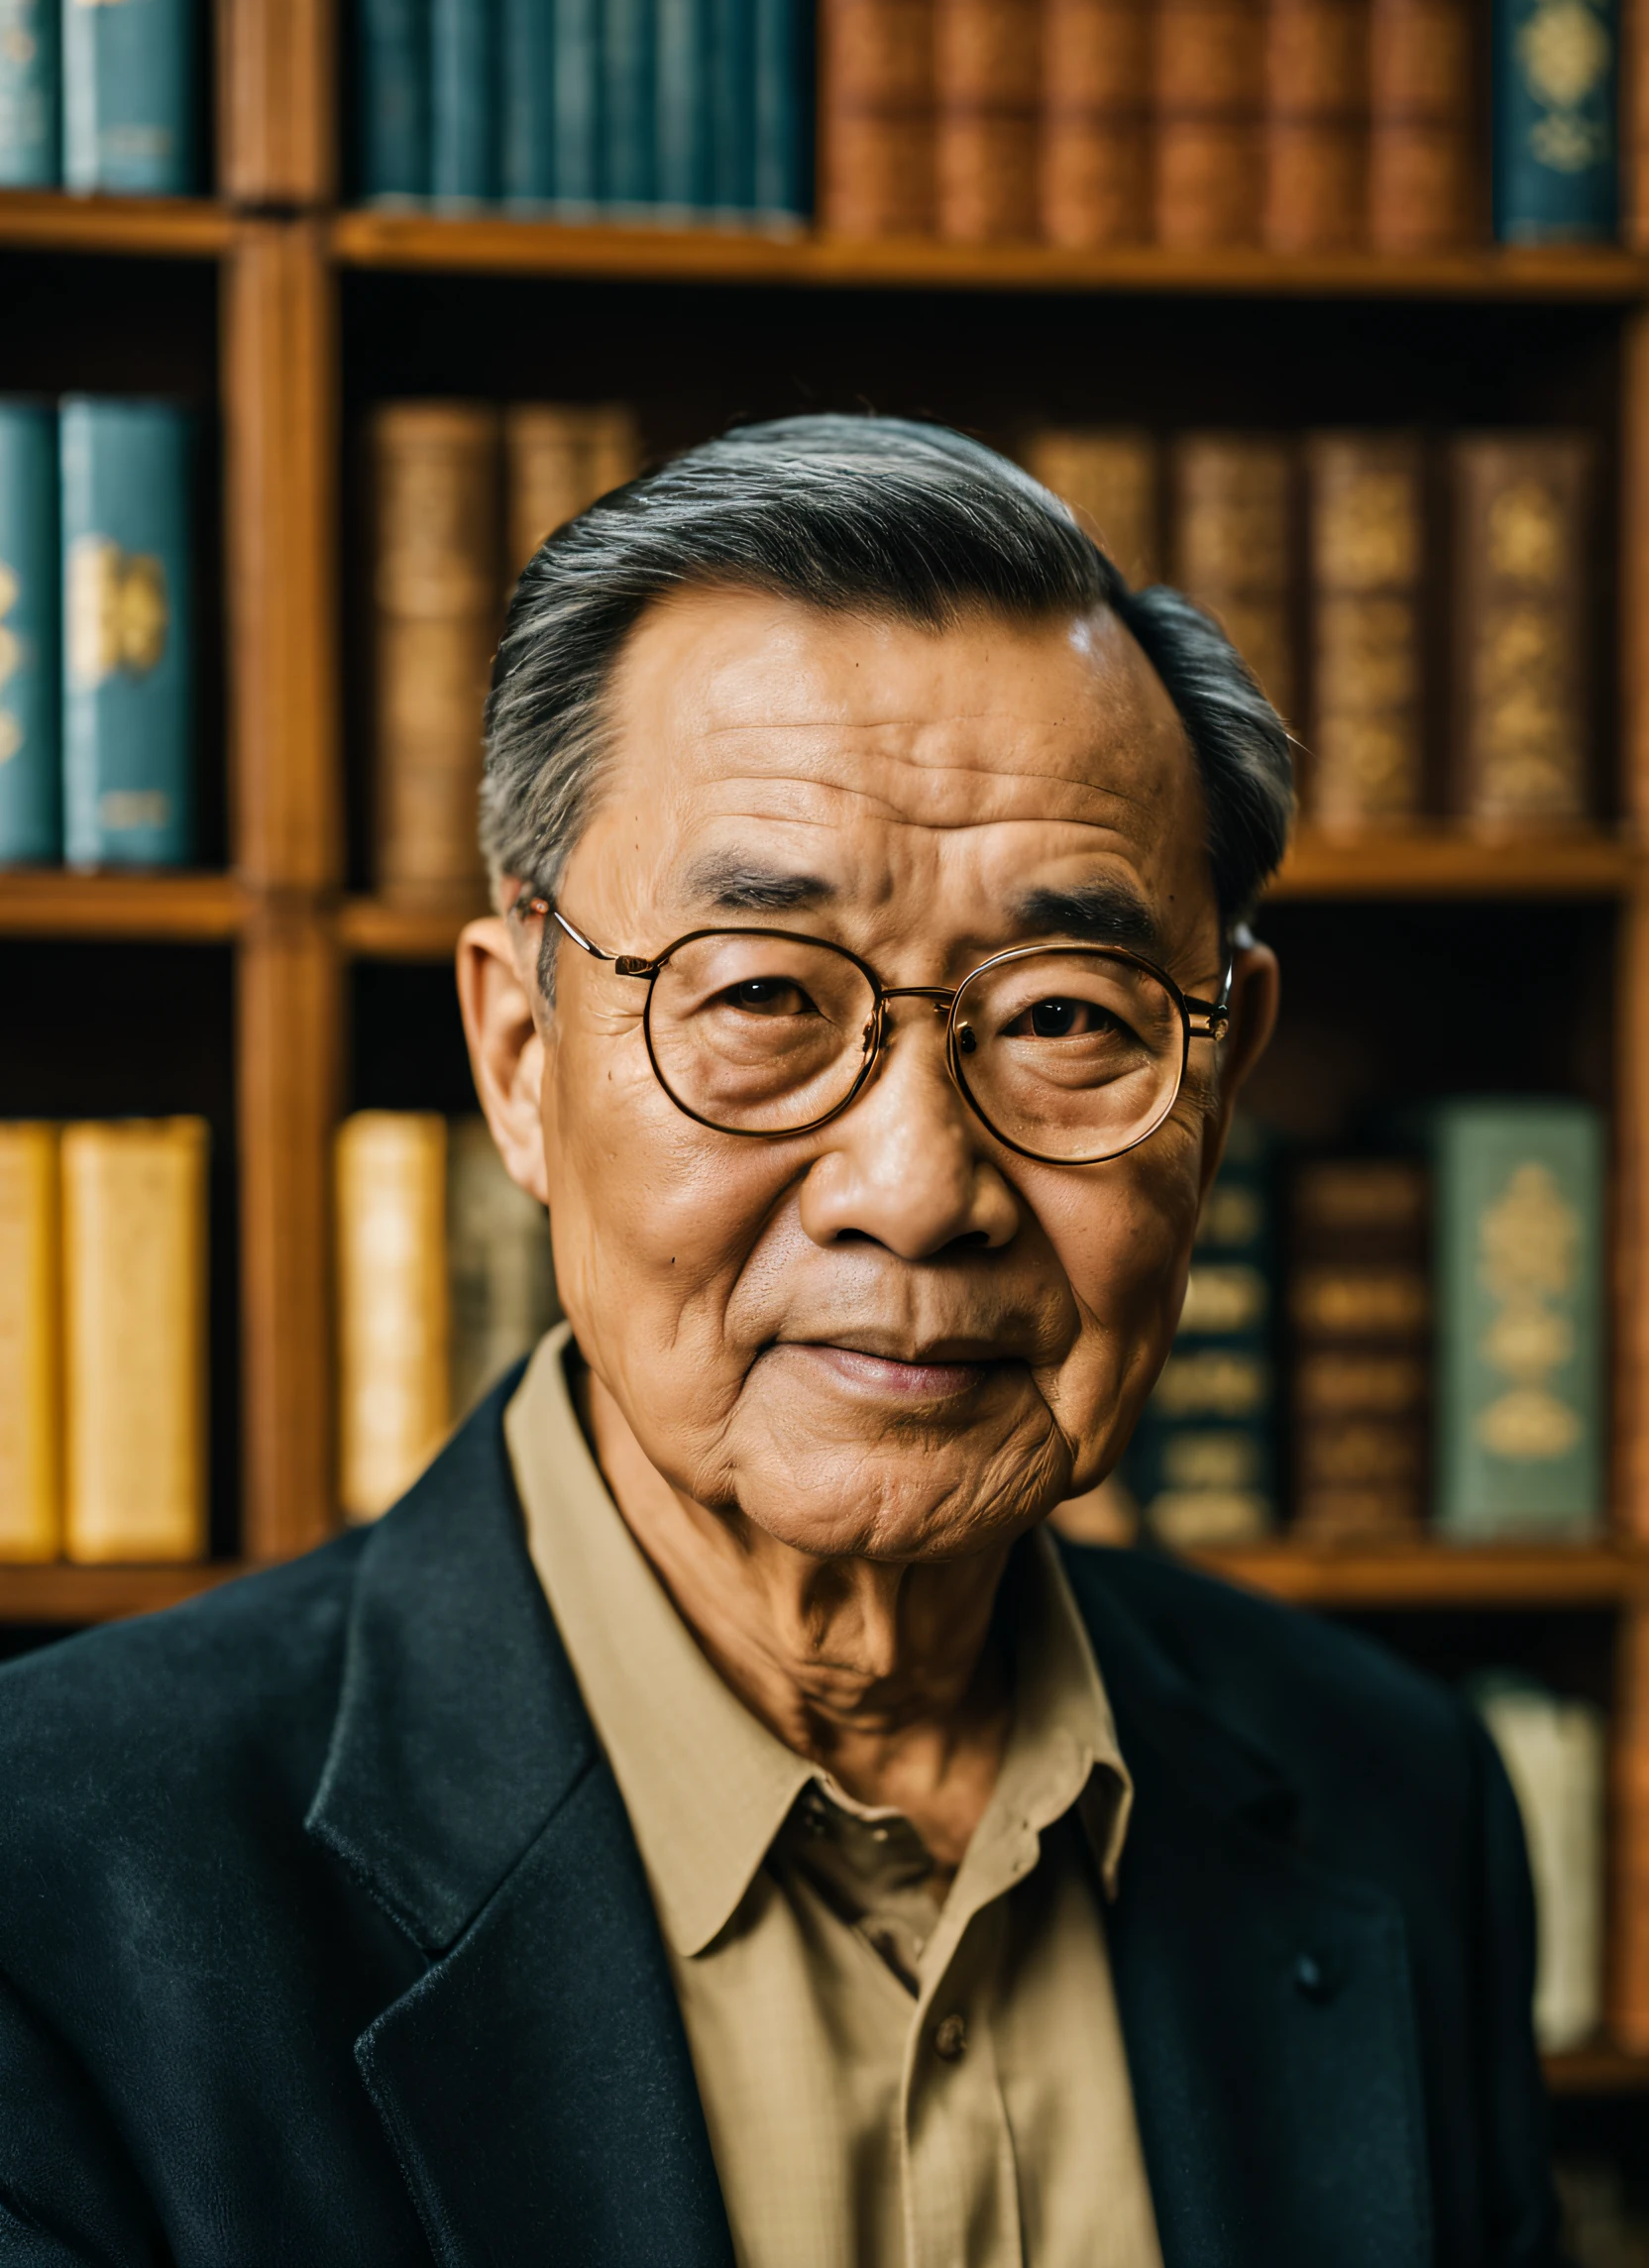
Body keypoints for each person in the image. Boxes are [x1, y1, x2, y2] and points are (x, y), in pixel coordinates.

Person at [0, 417, 1554, 2267]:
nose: (916, 1187)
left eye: (1067, 1017)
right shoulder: (59, 1878)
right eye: (760, 998)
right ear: (517, 1057)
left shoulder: (1397, 1798)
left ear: (1220, 1083)